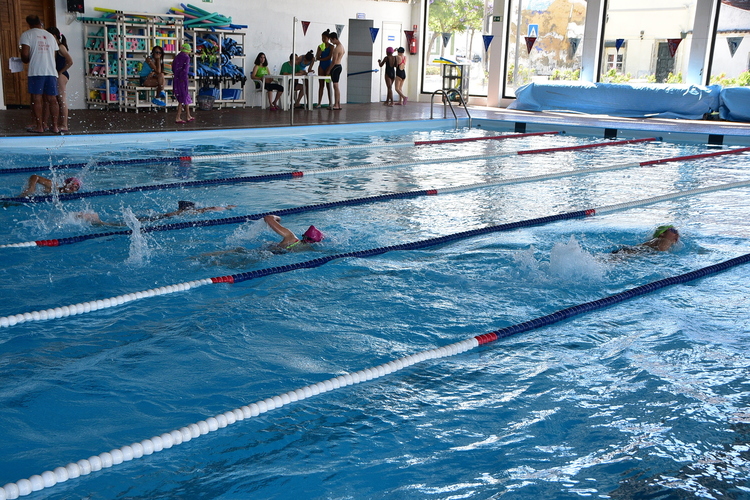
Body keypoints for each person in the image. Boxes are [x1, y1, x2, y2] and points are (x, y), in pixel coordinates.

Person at [19, 15, 60, 134]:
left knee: (36, 98)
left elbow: (25, 55)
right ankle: (55, 126)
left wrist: (24, 58)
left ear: (29, 23)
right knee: (52, 99)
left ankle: (39, 126)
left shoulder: (27, 35)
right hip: (51, 71)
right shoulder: (51, 36)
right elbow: (54, 55)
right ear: (40, 22)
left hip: (37, 71)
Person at [76, 201, 235, 226]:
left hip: (158, 216)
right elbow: (212, 209)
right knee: (122, 225)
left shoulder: (177, 212)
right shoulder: (181, 213)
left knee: (129, 222)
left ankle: (97, 221)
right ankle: (98, 221)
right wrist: (227, 208)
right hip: (157, 218)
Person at [45, 27, 73, 133]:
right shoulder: (53, 47)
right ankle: (57, 123)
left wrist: (60, 72)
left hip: (61, 75)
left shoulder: (61, 47)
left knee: (61, 99)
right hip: (56, 74)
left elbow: (70, 61)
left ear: (54, 36)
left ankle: (64, 124)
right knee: (55, 99)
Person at [612, 225, 680, 254]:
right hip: (627, 253)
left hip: (628, 252)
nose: (677, 234)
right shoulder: (662, 240)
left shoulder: (655, 243)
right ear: (662, 234)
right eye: (673, 231)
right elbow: (662, 249)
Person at [172, 43, 194, 123]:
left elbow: (173, 67)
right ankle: (178, 117)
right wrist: (183, 78)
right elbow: (185, 70)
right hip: (182, 80)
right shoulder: (186, 57)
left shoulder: (177, 56)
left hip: (176, 79)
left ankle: (188, 115)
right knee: (182, 98)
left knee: (185, 96)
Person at [315, 30, 333, 108]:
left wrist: (321, 59)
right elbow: (317, 57)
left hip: (328, 65)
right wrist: (321, 51)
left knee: (328, 85)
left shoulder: (331, 46)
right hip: (321, 66)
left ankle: (330, 102)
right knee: (321, 85)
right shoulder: (320, 46)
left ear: (328, 38)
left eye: (324, 38)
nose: (323, 39)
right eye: (322, 38)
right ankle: (319, 103)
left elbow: (329, 57)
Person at [328, 31, 345, 111]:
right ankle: (338, 103)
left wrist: (329, 70)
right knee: (336, 86)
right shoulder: (342, 47)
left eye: (331, 40)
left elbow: (333, 61)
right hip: (339, 66)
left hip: (335, 67)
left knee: (335, 86)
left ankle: (336, 104)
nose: (331, 42)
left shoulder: (336, 49)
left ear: (334, 39)